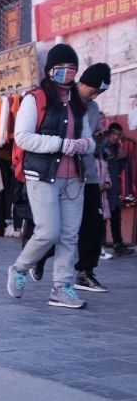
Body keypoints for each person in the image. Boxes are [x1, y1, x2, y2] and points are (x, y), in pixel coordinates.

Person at [7, 43, 95, 309]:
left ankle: (61, 287)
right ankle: (20, 269)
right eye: (61, 68)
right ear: (49, 70)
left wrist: (83, 145)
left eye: (72, 68)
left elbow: (90, 140)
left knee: (70, 235)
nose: (67, 73)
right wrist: (61, 144)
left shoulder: (79, 103)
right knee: (48, 232)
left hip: (74, 179)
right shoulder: (35, 98)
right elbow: (23, 137)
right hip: (42, 175)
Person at [73, 63, 113, 292]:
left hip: (88, 174)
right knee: (51, 226)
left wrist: (99, 138)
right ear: (83, 82)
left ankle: (85, 272)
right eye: (94, 90)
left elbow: (93, 143)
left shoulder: (94, 108)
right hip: (63, 174)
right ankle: (34, 259)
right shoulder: (64, 101)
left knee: (94, 224)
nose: (95, 95)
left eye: (99, 93)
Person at [101, 123, 133, 257]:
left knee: (115, 216)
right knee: (101, 218)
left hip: (113, 188)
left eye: (118, 135)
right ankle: (100, 247)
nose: (115, 137)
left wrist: (123, 158)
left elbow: (118, 169)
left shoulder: (116, 148)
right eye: (113, 134)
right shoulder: (103, 147)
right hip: (103, 188)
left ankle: (118, 245)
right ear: (109, 133)